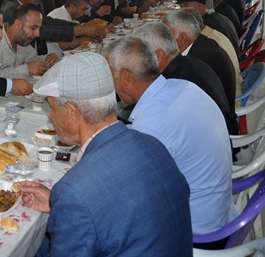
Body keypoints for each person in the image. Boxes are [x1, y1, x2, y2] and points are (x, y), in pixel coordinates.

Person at [19, 52, 192, 256]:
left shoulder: (75, 192)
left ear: (71, 113)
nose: (50, 115)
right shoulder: (153, 145)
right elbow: (120, 208)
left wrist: (70, 205)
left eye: (52, 107)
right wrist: (59, 206)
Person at [106, 37, 236, 241]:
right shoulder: (180, 85)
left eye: (109, 76)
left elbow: (133, 194)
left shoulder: (152, 125)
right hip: (220, 210)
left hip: (197, 232)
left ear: (125, 77)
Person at [131, 23, 238, 138]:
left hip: (215, 138)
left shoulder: (175, 82)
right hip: (221, 133)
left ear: (158, 56)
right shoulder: (190, 62)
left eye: (137, 57)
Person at [0, 3, 59, 78]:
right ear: (18, 24)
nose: (37, 34)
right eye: (33, 28)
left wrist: (48, 59)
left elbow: (32, 60)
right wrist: (26, 69)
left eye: (39, 29)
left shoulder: (22, 40)